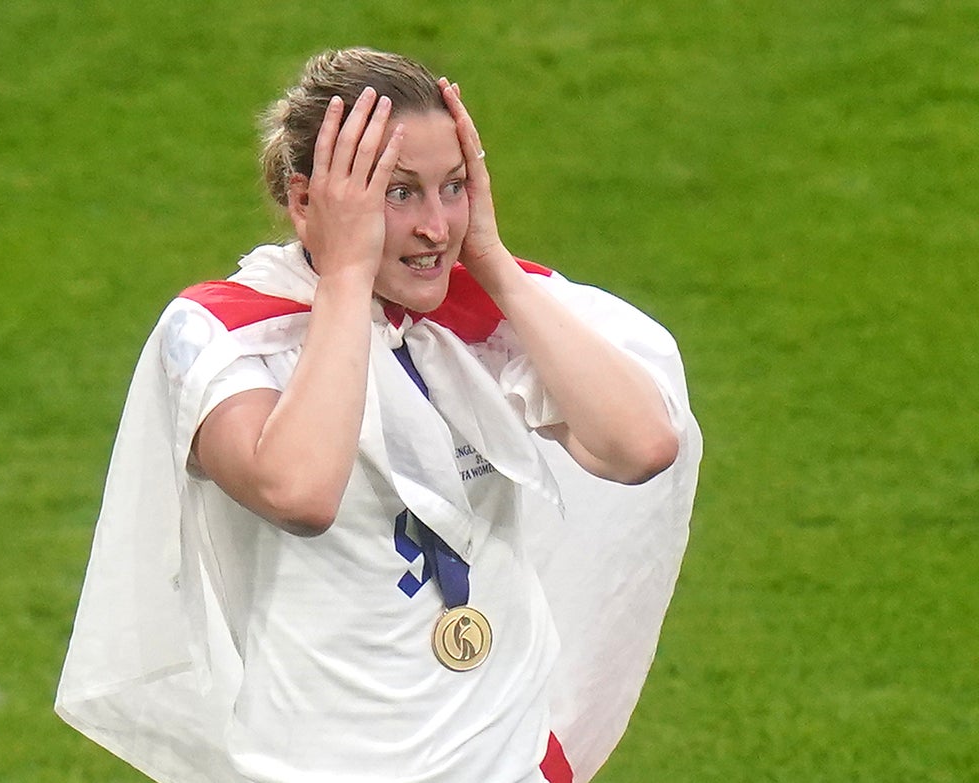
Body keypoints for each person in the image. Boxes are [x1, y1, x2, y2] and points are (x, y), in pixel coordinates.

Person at [56, 47, 701, 783]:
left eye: (452, 187)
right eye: (399, 194)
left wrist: (490, 259)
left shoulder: (476, 314)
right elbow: (299, 491)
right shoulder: (219, 332)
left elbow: (643, 446)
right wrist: (351, 276)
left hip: (505, 761)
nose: (435, 227)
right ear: (307, 203)